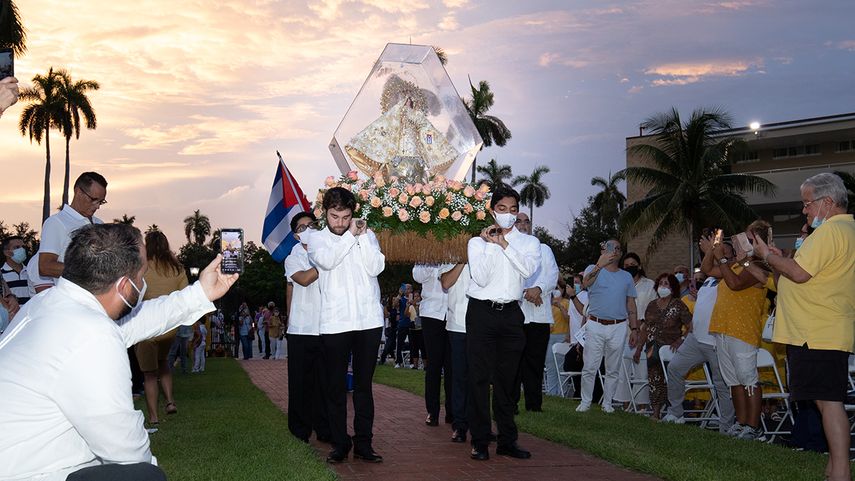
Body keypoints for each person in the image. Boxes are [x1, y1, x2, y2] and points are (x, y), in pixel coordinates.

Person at [0, 223, 237, 481]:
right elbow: (127, 450)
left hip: (20, 462)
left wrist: (201, 293)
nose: (143, 282)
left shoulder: (50, 304)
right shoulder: (90, 336)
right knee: (144, 476)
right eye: (142, 273)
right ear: (125, 285)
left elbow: (138, 321)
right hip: (28, 473)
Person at [753, 173, 855, 481]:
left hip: (816, 331)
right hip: (825, 328)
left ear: (827, 202)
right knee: (826, 402)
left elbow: (798, 273)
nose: (804, 210)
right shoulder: (847, 229)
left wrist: (766, 255)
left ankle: (841, 472)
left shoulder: (829, 233)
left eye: (807, 203)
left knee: (829, 403)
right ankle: (833, 468)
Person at [306, 187, 385, 463]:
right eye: (334, 216)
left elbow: (376, 268)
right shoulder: (316, 240)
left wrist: (362, 238)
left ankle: (364, 444)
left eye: (345, 216)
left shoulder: (367, 235)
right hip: (335, 322)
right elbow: (327, 261)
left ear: (354, 214)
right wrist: (351, 236)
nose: (339, 222)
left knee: (364, 386)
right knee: (335, 387)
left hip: (368, 321)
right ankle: (340, 443)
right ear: (325, 213)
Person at [466, 184, 540, 461]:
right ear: (491, 210)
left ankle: (508, 440)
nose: (508, 215)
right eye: (501, 209)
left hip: (511, 314)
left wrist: (504, 244)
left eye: (512, 210)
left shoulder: (529, 243)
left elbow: (528, 269)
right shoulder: (476, 243)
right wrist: (489, 246)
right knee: (479, 378)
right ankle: (480, 441)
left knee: (507, 381)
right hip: (481, 314)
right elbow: (482, 278)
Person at [706, 220, 775, 441]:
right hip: (723, 329)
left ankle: (754, 428)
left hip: (742, 330)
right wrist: (712, 250)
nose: (740, 241)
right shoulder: (738, 263)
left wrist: (723, 258)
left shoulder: (760, 266)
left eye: (747, 238)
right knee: (733, 381)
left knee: (748, 379)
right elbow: (708, 269)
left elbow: (735, 284)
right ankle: (742, 423)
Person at [663, 242, 735, 433]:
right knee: (675, 369)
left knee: (722, 384)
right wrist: (710, 250)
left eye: (724, 253)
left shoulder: (731, 275)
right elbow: (705, 268)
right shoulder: (711, 278)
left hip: (715, 341)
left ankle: (726, 426)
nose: (719, 255)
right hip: (696, 338)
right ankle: (675, 414)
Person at [134, 230, 189, 428]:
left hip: (146, 327)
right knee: (163, 363)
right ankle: (170, 401)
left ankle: (154, 417)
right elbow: (185, 297)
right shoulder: (176, 268)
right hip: (168, 327)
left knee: (149, 374)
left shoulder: (141, 267)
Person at [284, 211, 330, 444]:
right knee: (301, 383)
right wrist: (328, 262)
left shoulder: (324, 251)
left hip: (326, 327)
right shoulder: (292, 258)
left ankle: (325, 428)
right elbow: (301, 280)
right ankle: (300, 430)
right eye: (302, 228)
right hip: (301, 330)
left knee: (325, 383)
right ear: (295, 235)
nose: (308, 230)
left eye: (312, 225)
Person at [577, 239, 639, 413]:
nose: (615, 251)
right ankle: (586, 402)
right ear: (603, 249)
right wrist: (599, 265)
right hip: (595, 323)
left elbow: (631, 304)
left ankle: (608, 403)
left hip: (618, 326)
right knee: (590, 366)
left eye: (618, 248)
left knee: (613, 368)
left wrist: (634, 329)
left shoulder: (626, 276)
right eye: (611, 248)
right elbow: (585, 284)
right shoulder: (592, 268)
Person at [512, 212, 559, 412]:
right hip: (515, 314)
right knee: (513, 362)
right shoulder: (507, 248)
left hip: (539, 315)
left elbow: (552, 274)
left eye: (526, 221)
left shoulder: (544, 248)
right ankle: (510, 403)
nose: (523, 225)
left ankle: (534, 405)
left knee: (535, 362)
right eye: (518, 221)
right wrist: (527, 292)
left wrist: (538, 289)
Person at [633, 273, 692, 419]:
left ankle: (674, 411)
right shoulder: (652, 305)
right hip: (652, 348)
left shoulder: (678, 305)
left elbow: (691, 325)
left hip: (670, 349)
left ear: (672, 287)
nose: (663, 287)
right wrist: (639, 347)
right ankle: (656, 413)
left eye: (666, 284)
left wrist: (681, 340)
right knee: (654, 380)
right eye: (661, 284)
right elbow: (645, 328)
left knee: (670, 379)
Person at [39, 172, 107, 279]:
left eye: (101, 202)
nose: (97, 206)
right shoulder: (56, 222)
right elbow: (45, 266)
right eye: (93, 199)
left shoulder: (100, 224)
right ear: (78, 192)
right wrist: (88, 271)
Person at [412, 263, 453, 426]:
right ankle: (432, 411)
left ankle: (453, 411)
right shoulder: (427, 253)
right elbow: (417, 276)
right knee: (433, 365)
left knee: (453, 366)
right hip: (431, 313)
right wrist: (432, 261)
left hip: (453, 313)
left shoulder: (456, 251)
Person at [614, 252, 655, 411]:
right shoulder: (620, 284)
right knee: (623, 372)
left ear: (639, 266)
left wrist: (639, 327)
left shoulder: (649, 284)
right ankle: (625, 407)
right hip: (623, 331)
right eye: (626, 266)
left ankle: (642, 407)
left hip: (643, 331)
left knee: (641, 371)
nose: (629, 268)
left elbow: (652, 309)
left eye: (632, 265)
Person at [441, 263, 470, 443]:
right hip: (457, 325)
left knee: (481, 378)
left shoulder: (487, 249)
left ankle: (480, 424)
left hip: (482, 324)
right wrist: (462, 261)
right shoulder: (450, 258)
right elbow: (445, 282)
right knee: (459, 377)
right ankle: (460, 425)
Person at [546, 278, 570, 396]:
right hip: (549, 337)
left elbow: (568, 319)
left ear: (562, 289)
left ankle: (562, 393)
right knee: (550, 367)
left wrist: (560, 306)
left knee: (560, 367)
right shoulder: (547, 304)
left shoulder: (567, 302)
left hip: (562, 336)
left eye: (557, 288)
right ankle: (551, 393)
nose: (555, 291)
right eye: (553, 288)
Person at [2, 236, 30, 304]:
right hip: (11, 314)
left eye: (23, 247)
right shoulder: (1, 275)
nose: (22, 250)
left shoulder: (31, 272)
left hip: (32, 314)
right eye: (17, 247)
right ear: (6, 252)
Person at [394, 284, 412, 368]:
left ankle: (412, 362)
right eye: (406, 288)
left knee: (413, 343)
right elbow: (394, 305)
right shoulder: (401, 299)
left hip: (412, 324)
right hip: (402, 324)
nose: (407, 290)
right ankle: (398, 361)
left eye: (409, 288)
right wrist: (399, 294)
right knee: (400, 343)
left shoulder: (414, 298)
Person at [407, 292, 424, 369]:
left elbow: (419, 314)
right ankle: (415, 365)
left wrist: (415, 305)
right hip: (413, 328)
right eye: (415, 296)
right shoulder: (411, 306)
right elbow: (407, 315)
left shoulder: (423, 305)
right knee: (414, 347)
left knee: (423, 347)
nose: (416, 298)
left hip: (421, 329)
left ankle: (425, 365)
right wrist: (408, 306)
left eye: (418, 296)